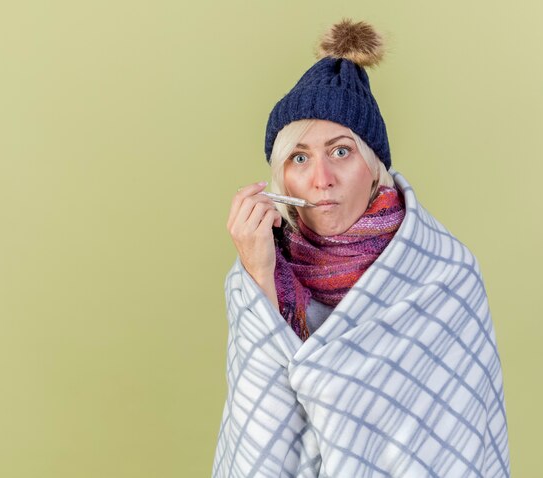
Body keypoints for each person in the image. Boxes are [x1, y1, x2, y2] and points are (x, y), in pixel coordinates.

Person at [213, 19, 510, 477]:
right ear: (281, 177)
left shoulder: (447, 276)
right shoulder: (256, 269)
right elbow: (259, 428)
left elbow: (461, 443)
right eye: (299, 157)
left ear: (373, 167)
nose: (320, 179)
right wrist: (260, 279)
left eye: (340, 151)